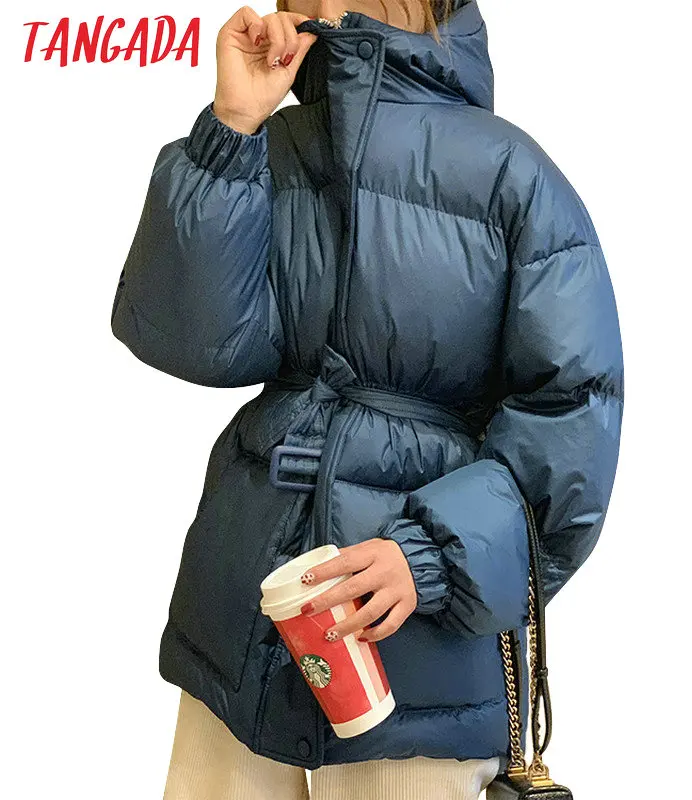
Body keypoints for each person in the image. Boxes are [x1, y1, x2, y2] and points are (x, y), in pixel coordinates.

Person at [110, 1, 625, 798]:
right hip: (246, 606)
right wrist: (232, 129)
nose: (314, 11)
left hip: (417, 644)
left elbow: (573, 418)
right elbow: (189, 338)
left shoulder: (509, 173)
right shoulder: (274, 146)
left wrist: (432, 558)